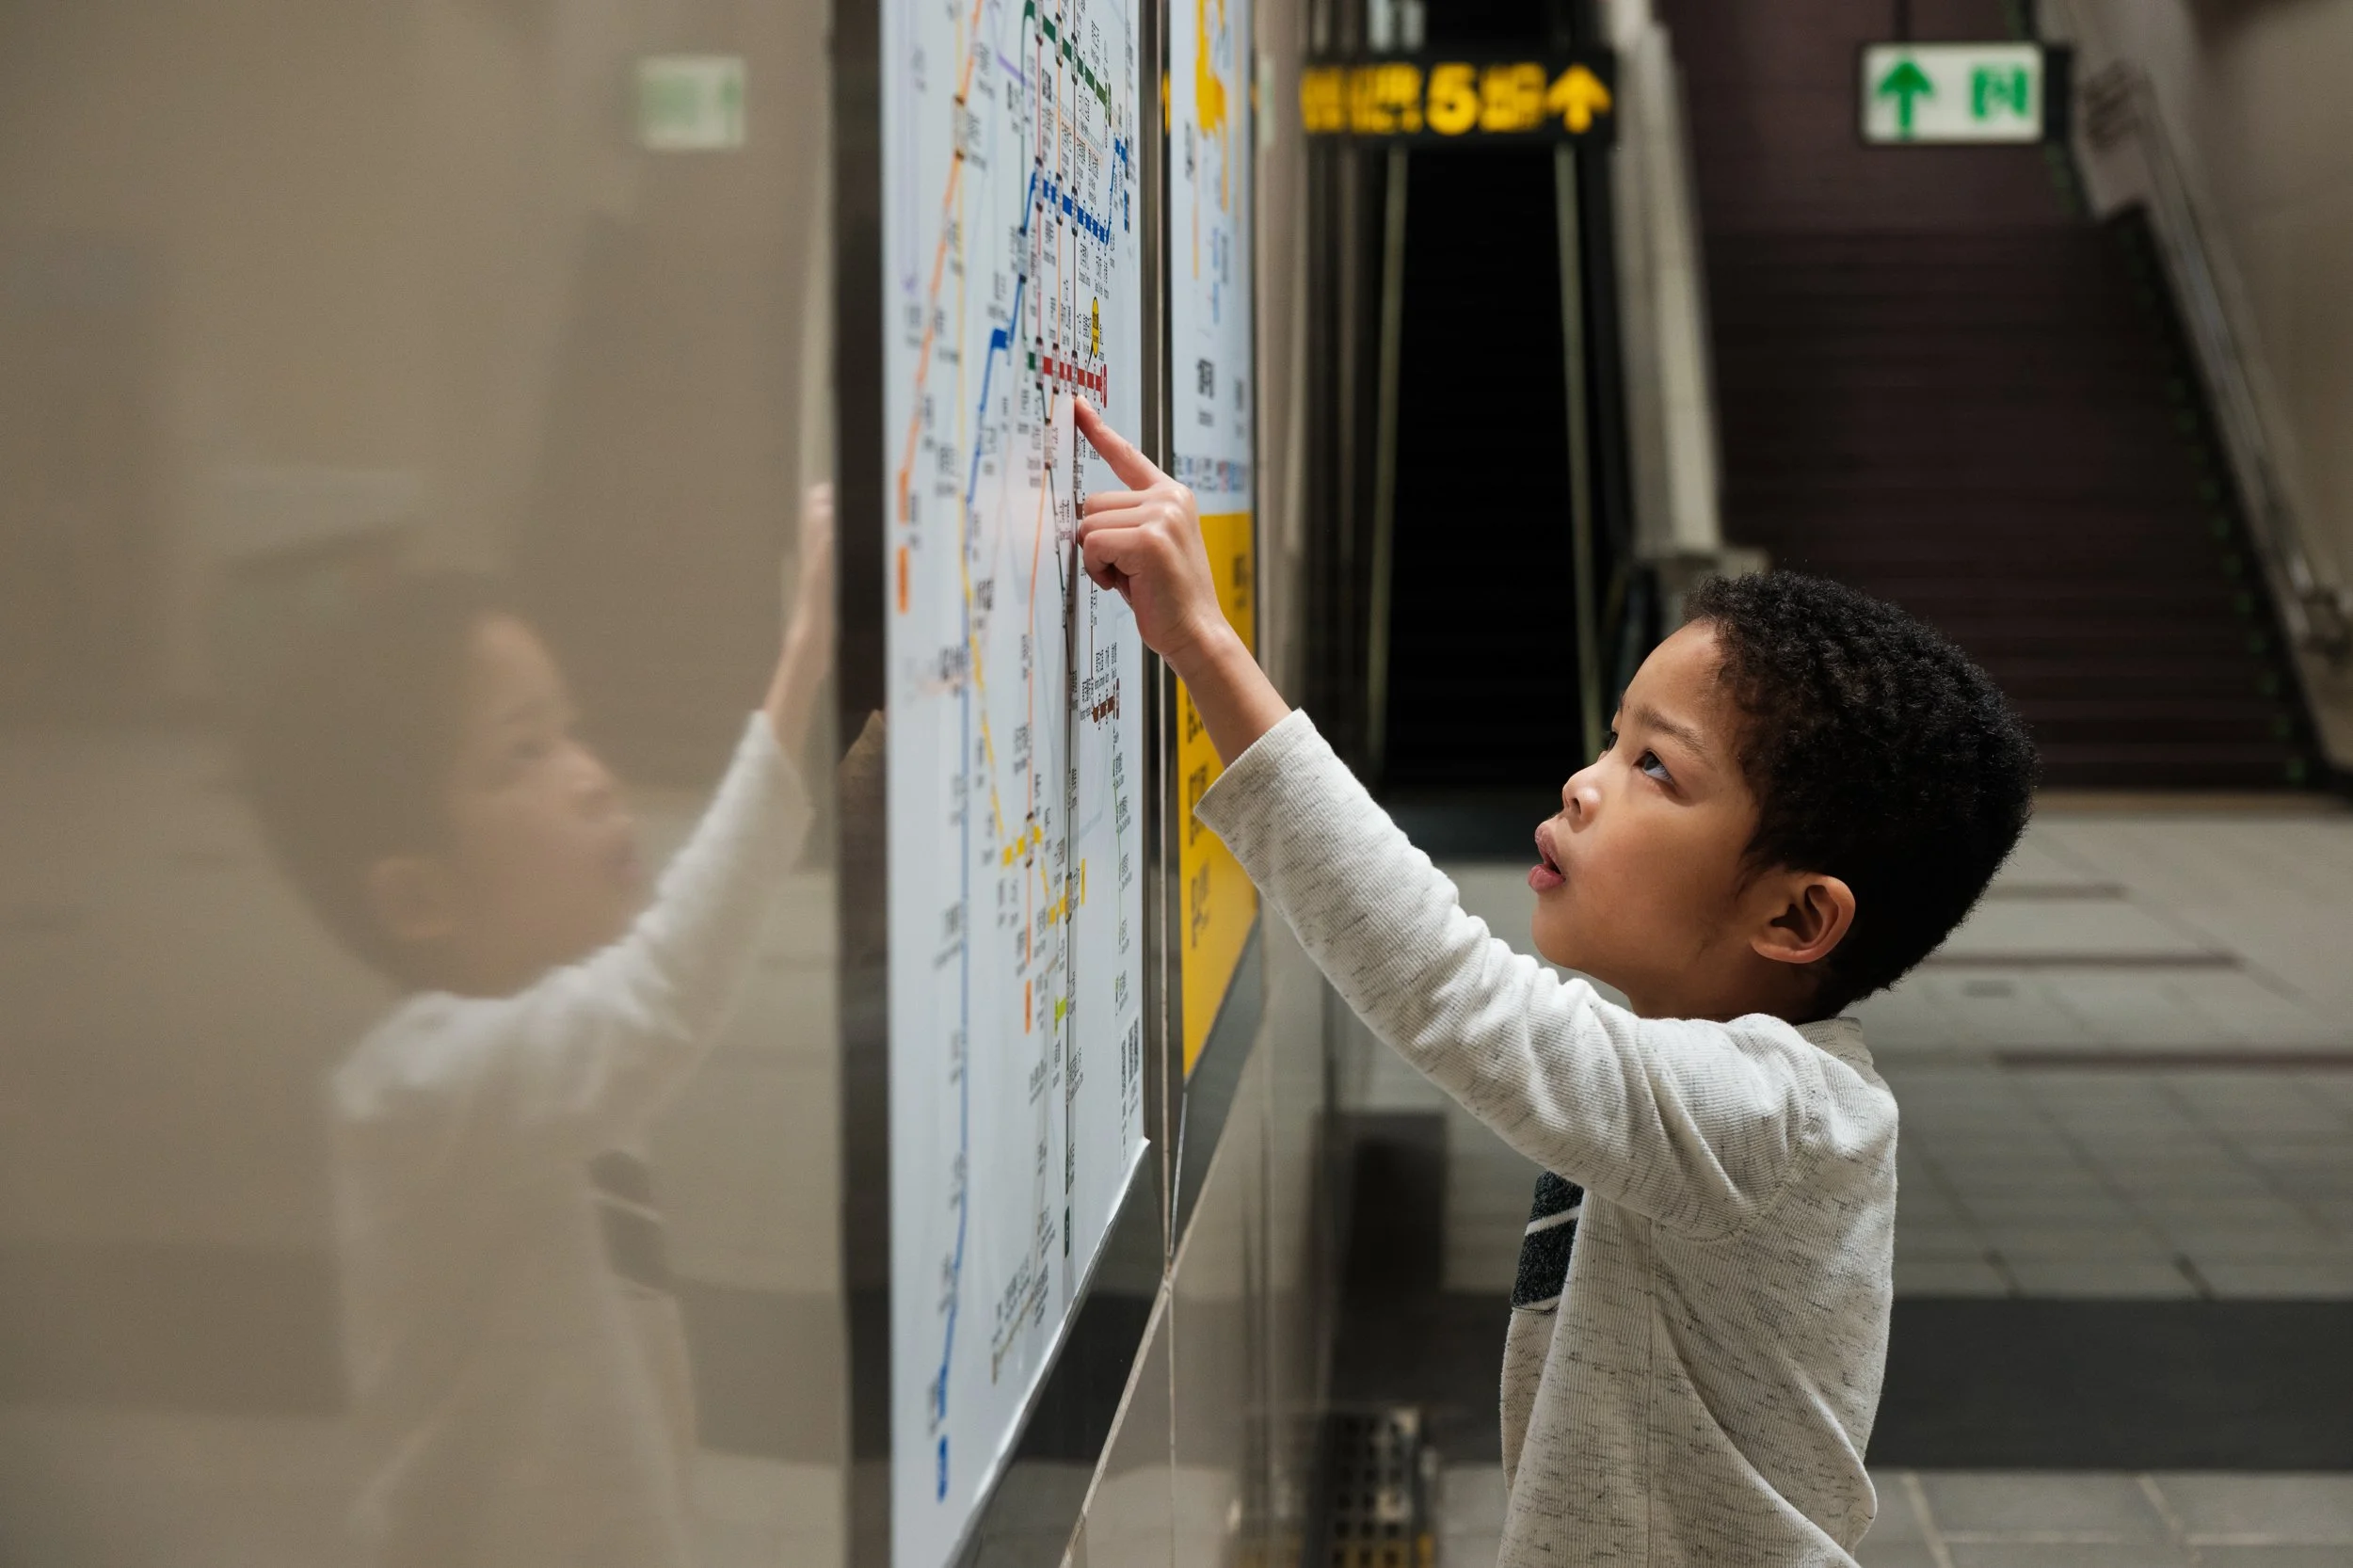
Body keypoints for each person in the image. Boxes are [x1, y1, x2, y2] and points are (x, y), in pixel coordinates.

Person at [1069, 402, 2036, 1563]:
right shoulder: (1725, 1083)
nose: (1584, 785)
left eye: (1654, 770)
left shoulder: (1773, 1117)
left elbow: (1449, 990)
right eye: (1610, 739)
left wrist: (1208, 651)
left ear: (1792, 915)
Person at [243, 488, 834, 1568]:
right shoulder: (416, 1089)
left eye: (571, 732)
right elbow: (667, 990)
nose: (591, 777)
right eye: (524, 754)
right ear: (418, 899)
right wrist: (799, 675)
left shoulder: (534, 1041)